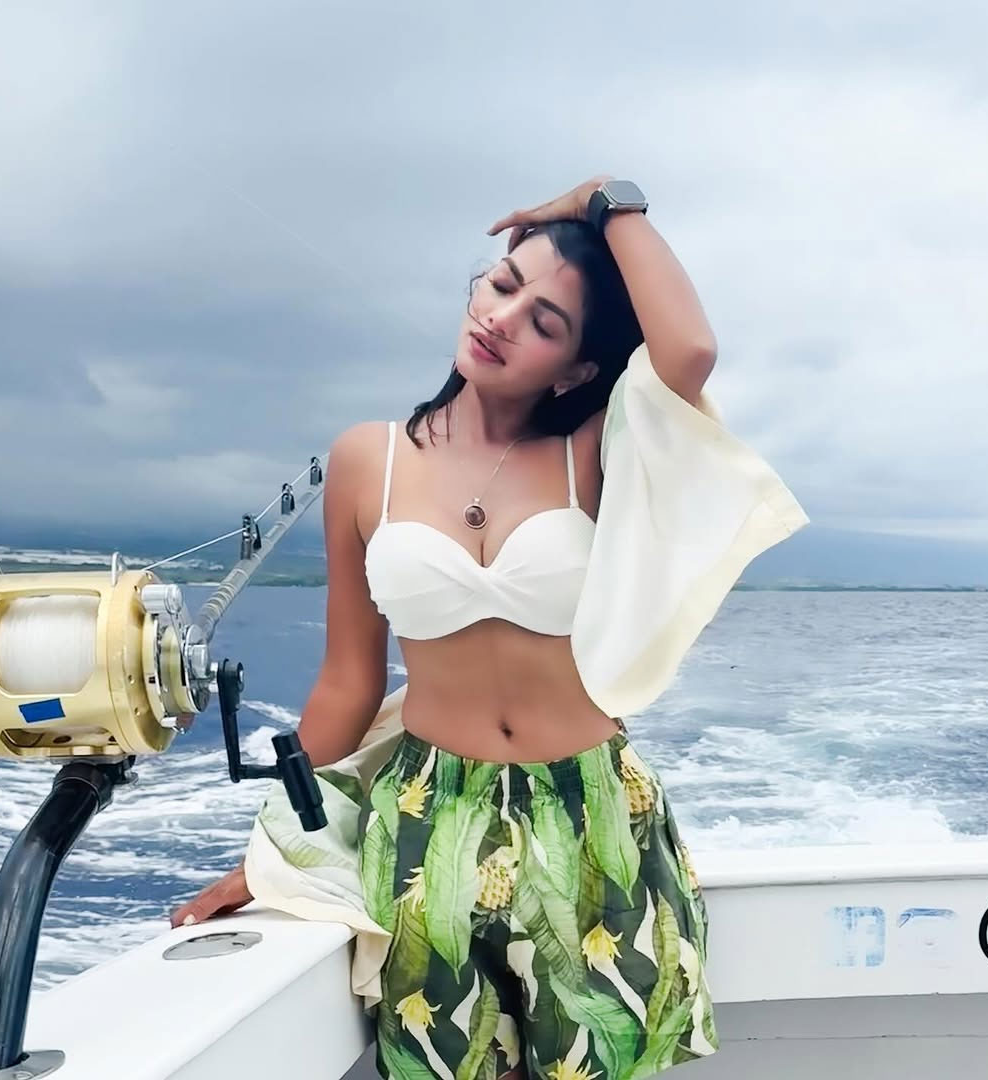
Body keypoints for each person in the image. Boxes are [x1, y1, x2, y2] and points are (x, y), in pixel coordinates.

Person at [171, 176, 809, 1079]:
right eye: (502, 284)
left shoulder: (593, 452)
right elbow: (349, 681)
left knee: (598, 1062)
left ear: (576, 369)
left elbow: (689, 351)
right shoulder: (367, 460)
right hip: (428, 817)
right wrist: (277, 854)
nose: (502, 317)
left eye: (545, 321)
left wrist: (607, 202)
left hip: (591, 813)